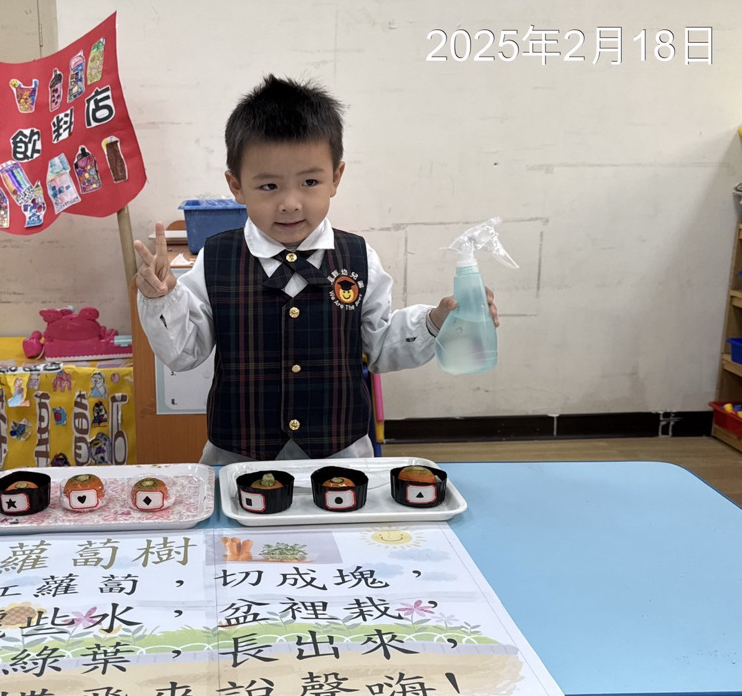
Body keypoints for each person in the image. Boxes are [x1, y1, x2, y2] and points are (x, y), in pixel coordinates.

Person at [136, 74, 498, 469]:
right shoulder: (216, 257)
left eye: (309, 181)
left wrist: (436, 321)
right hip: (237, 460)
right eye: (269, 186)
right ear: (236, 186)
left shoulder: (358, 256)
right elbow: (184, 353)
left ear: (335, 178)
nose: (291, 203)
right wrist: (162, 299)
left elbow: (379, 346)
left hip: (342, 461)